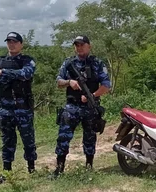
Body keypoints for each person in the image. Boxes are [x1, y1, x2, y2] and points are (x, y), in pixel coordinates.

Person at [52, 35, 111, 178]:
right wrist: (69, 82)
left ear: (89, 46)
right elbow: (58, 81)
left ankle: (89, 167)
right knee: (63, 137)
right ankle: (59, 169)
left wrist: (93, 95)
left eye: (82, 45)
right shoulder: (69, 63)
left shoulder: (97, 63)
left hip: (90, 107)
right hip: (71, 106)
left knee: (90, 138)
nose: (79, 48)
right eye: (77, 45)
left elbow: (106, 86)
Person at [0, 32, 37, 184]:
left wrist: (3, 72)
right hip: (5, 109)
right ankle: (6, 172)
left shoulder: (27, 60)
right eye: (9, 41)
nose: (11, 44)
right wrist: (12, 74)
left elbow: (26, 74)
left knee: (28, 140)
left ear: (21, 44)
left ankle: (32, 169)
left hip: (23, 108)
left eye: (15, 41)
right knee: (7, 141)